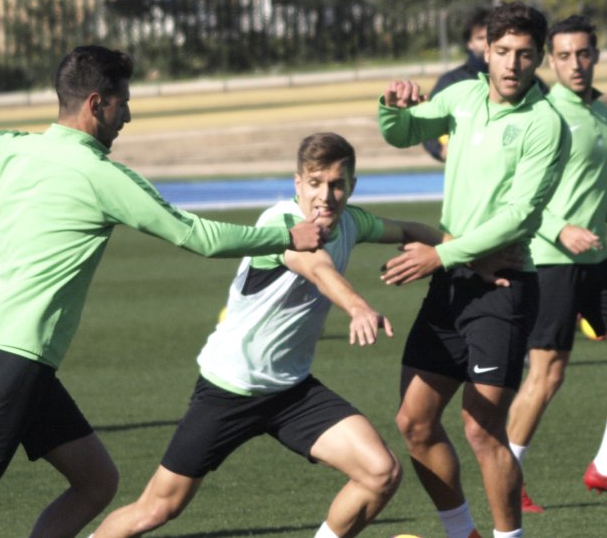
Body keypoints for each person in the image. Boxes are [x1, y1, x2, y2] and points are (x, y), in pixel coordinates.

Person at [0, 45, 330, 538]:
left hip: (11, 353)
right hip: (14, 357)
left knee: (96, 481)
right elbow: (194, 235)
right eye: (123, 101)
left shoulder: (12, 147)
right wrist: (284, 235)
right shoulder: (100, 175)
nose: (127, 115)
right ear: (96, 104)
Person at [93, 132, 446, 538]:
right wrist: (358, 307)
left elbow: (409, 229)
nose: (326, 196)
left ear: (351, 185)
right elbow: (319, 269)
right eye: (315, 183)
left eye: (337, 184)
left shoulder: (352, 222)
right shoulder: (280, 224)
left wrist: (460, 251)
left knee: (380, 472)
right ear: (298, 184)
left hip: (290, 391)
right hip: (230, 388)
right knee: (156, 509)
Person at [377, 1, 567, 538]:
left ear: (537, 61)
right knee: (414, 424)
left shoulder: (544, 124)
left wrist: (440, 252)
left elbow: (519, 217)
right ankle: (464, 534)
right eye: (502, 51)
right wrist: (392, 106)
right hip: (453, 281)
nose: (511, 64)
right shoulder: (460, 95)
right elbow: (402, 133)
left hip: (504, 288)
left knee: (483, 429)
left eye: (524, 55)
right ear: (485, 49)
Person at [505, 15, 607, 513]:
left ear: (597, 55)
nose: (576, 64)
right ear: (552, 60)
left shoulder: (600, 112)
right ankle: (505, 475)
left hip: (595, 256)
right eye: (566, 56)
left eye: (585, 54)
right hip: (551, 259)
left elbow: (589, 191)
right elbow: (522, 194)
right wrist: (558, 229)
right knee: (546, 376)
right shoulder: (546, 114)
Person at [422, 8, 489, 163]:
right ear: (469, 43)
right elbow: (427, 123)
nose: (487, 43)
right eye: (480, 38)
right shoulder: (451, 81)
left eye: (492, 37)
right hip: (465, 172)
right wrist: (440, 149)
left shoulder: (518, 78)